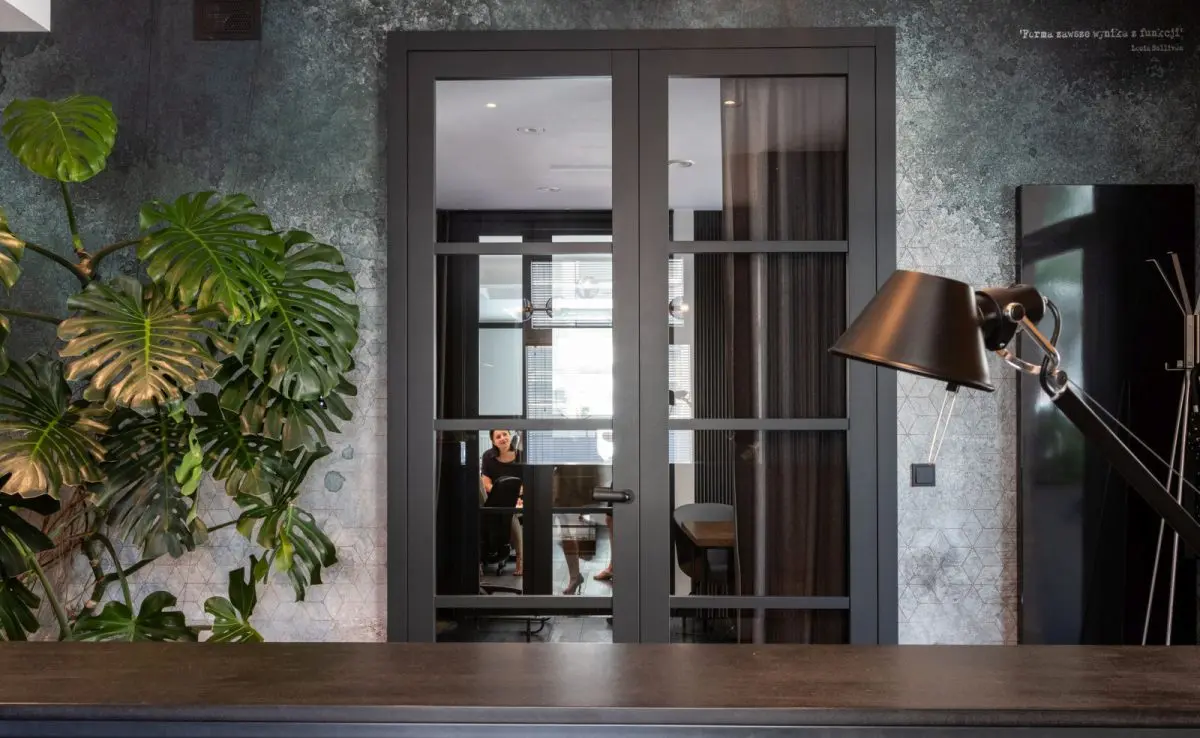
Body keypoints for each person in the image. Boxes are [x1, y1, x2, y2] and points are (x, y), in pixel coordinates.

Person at [480, 429, 523, 576]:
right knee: (504, 510)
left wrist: (515, 495)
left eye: (505, 434)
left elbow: (528, 481)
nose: (503, 438)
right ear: (493, 441)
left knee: (510, 513)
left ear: (510, 435)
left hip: (519, 498)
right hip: (495, 497)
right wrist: (501, 493)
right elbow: (486, 483)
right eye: (498, 436)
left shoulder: (521, 455)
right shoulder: (488, 456)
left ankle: (521, 559)